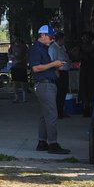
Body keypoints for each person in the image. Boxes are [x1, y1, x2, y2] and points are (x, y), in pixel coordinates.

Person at [28, 25, 69, 155]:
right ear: (43, 35)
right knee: (51, 114)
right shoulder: (36, 49)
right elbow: (35, 68)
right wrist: (53, 64)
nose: (52, 40)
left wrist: (54, 69)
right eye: (50, 37)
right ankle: (53, 143)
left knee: (44, 115)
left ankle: (42, 142)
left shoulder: (44, 48)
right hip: (45, 85)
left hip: (46, 84)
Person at [75, 32, 94, 116]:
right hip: (86, 70)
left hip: (90, 70)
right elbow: (77, 57)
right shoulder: (81, 47)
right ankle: (86, 107)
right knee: (84, 87)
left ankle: (91, 106)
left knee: (90, 87)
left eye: (86, 37)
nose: (84, 39)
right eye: (83, 37)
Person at [52, 31, 74, 117]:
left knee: (63, 92)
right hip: (58, 72)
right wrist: (56, 72)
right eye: (64, 39)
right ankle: (57, 111)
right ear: (60, 39)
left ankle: (61, 110)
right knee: (59, 92)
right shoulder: (53, 48)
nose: (65, 41)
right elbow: (53, 61)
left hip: (64, 71)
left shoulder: (62, 47)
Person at [8, 36, 28, 103]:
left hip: (22, 66)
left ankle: (24, 97)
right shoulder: (12, 46)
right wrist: (11, 57)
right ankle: (16, 97)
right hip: (14, 66)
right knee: (15, 82)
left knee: (23, 82)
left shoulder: (23, 46)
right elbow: (9, 54)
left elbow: (26, 55)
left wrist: (20, 60)